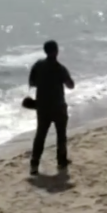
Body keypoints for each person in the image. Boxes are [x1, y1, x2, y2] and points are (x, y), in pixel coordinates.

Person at [28, 40, 75, 175]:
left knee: (40, 135)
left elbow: (32, 83)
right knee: (61, 135)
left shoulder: (38, 65)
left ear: (45, 51)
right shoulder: (60, 68)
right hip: (58, 106)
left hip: (42, 106)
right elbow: (70, 85)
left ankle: (34, 164)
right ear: (56, 51)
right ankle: (61, 161)